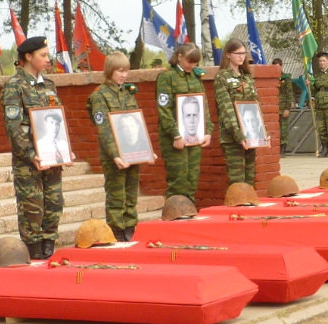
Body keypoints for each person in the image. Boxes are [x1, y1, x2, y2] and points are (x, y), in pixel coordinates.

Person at [0, 36, 69, 260]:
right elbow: (13, 127)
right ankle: (33, 247)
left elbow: (57, 120)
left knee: (54, 201)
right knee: (32, 205)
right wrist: (30, 154)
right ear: (28, 56)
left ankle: (49, 241)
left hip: (52, 156)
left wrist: (65, 148)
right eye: (43, 55)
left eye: (48, 55)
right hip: (29, 160)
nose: (48, 59)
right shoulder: (14, 86)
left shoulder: (49, 85)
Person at [87, 51, 149, 242]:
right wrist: (115, 155)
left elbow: (136, 123)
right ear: (110, 70)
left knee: (131, 194)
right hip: (114, 155)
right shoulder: (100, 96)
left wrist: (145, 149)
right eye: (120, 71)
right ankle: (117, 232)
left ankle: (130, 228)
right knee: (116, 196)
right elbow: (104, 129)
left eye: (126, 71)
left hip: (132, 152)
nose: (124, 75)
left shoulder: (128, 93)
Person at [155, 43, 212, 202]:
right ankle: (175, 211)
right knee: (178, 178)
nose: (192, 65)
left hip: (194, 136)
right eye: (189, 61)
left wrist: (208, 131)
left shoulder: (196, 76)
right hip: (174, 138)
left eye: (195, 63)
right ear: (179, 57)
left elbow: (203, 105)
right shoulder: (167, 77)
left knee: (192, 177)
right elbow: (164, 109)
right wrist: (175, 135)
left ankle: (188, 208)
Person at [213, 39, 261, 185]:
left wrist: (262, 131)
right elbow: (226, 109)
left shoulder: (247, 77)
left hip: (251, 133)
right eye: (238, 53)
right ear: (228, 54)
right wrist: (239, 135)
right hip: (232, 137)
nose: (241, 56)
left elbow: (256, 106)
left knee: (250, 179)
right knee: (237, 181)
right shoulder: (222, 77)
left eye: (243, 53)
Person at [272, 58, 295, 155]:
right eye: (274, 67)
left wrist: (287, 108)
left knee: (283, 128)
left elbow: (289, 93)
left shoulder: (286, 78)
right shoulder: (271, 77)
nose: (277, 68)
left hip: (283, 106)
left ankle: (283, 147)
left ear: (282, 66)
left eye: (278, 66)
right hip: (273, 107)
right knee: (274, 128)